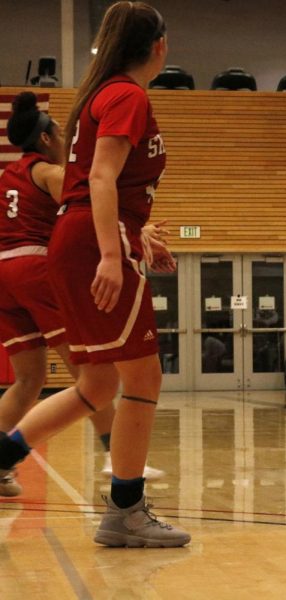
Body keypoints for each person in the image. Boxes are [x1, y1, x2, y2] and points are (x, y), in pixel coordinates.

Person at [0, 2, 190, 547]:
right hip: (90, 243)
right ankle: (126, 509)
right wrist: (113, 251)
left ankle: (2, 455)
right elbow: (102, 178)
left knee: (99, 382)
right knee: (144, 379)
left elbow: (96, 184)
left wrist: (133, 237)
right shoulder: (127, 94)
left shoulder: (100, 94)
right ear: (158, 46)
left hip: (75, 240)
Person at [0, 92, 165, 497]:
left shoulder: (6, 178)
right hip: (34, 268)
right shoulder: (47, 172)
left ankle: (2, 457)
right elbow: (87, 203)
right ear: (45, 139)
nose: (64, 139)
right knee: (94, 376)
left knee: (29, 379)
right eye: (60, 132)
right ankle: (115, 453)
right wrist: (137, 231)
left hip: (2, 274)